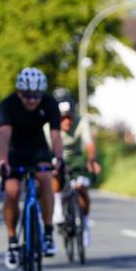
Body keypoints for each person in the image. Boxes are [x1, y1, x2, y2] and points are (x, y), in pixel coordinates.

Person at [0, 67, 64, 268]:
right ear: (19, 92)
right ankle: (12, 242)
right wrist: (3, 161)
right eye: (27, 96)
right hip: (14, 151)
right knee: (12, 192)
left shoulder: (50, 103)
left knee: (46, 179)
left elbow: (55, 135)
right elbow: (4, 135)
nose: (32, 100)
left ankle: (49, 234)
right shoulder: (8, 105)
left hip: (38, 149)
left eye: (36, 96)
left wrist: (59, 158)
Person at [51, 91, 101, 246]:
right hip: (55, 156)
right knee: (55, 173)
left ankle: (85, 224)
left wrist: (91, 160)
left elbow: (89, 144)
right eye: (62, 117)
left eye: (69, 117)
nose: (66, 121)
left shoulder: (81, 122)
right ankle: (58, 207)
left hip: (76, 157)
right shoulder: (49, 125)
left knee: (82, 187)